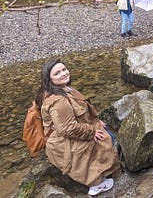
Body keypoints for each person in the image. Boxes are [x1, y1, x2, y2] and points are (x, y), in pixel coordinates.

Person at [35, 59, 120, 196]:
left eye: (64, 69)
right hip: (63, 143)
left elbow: (79, 112)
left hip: (69, 132)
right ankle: (96, 184)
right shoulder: (58, 101)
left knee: (109, 136)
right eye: (57, 73)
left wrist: (96, 120)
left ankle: (103, 172)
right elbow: (67, 128)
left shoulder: (62, 89)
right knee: (106, 140)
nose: (63, 74)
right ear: (49, 79)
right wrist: (92, 131)